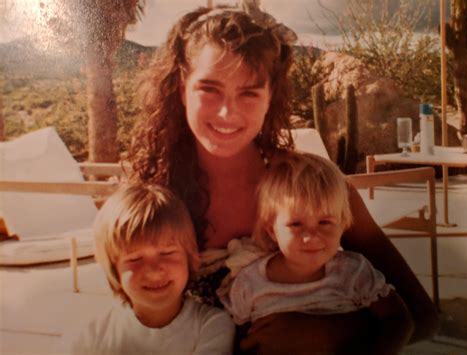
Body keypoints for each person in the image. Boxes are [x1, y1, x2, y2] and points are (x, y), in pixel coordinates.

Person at [128, 4, 438, 353]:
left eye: (249, 92)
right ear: (181, 85)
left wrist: (329, 331)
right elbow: (133, 324)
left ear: (270, 96)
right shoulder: (152, 198)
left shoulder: (313, 188)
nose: (228, 112)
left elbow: (422, 316)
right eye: (209, 89)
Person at [219, 152, 414, 353]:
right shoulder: (249, 284)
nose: (311, 237)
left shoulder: (353, 272)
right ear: (272, 230)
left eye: (325, 222)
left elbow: (400, 321)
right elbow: (237, 343)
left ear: (343, 224)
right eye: (296, 224)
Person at [66, 183, 235, 354]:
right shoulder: (91, 333)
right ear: (113, 269)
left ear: (190, 257)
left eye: (167, 253)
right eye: (135, 258)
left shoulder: (212, 325)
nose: (154, 271)